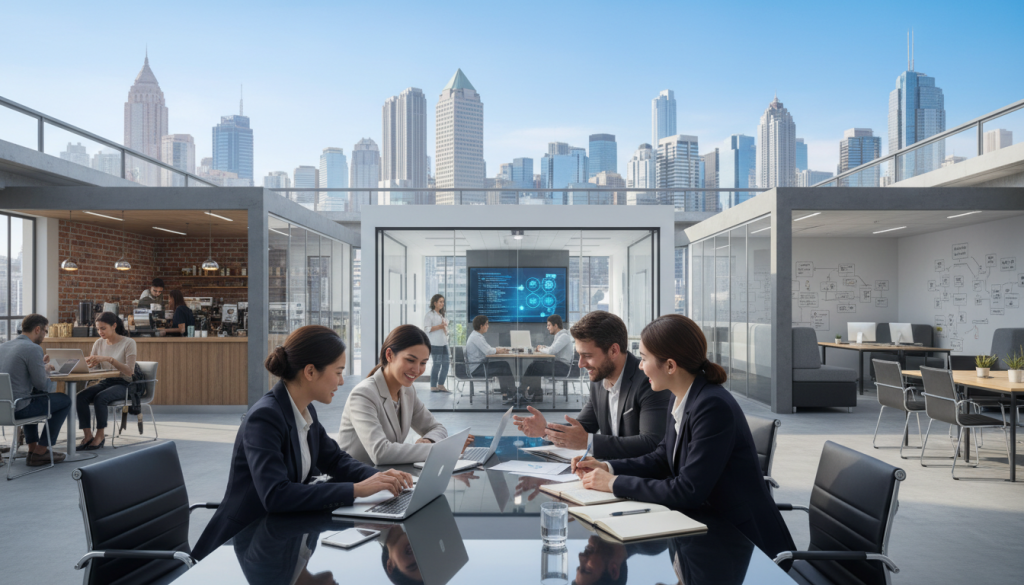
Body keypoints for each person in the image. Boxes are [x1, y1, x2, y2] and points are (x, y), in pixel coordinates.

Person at [571, 314, 796, 558]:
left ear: (670, 365)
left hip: (742, 545)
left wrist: (614, 483)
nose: (639, 365)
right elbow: (661, 457)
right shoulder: (681, 396)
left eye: (644, 358)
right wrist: (607, 467)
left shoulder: (712, 407)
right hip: (702, 531)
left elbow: (688, 490)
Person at [192, 325, 412, 561]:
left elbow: (336, 460)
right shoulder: (265, 418)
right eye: (338, 372)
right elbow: (276, 495)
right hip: (242, 548)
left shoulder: (304, 411)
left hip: (281, 538)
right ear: (310, 371)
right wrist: (357, 489)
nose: (341, 381)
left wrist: (384, 479)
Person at [513, 311, 670, 459]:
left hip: (640, 478)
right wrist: (545, 430)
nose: (580, 364)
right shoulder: (599, 381)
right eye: (579, 355)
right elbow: (582, 427)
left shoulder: (648, 381)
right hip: (610, 471)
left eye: (587, 356)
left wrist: (588, 442)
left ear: (614, 350)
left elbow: (651, 443)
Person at [337, 324, 472, 465]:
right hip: (356, 481)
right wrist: (442, 449)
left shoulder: (407, 391)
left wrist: (429, 441)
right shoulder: (363, 394)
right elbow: (381, 452)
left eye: (423, 363)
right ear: (389, 355)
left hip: (387, 477)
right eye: (410, 360)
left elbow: (436, 428)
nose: (417, 369)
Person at [0, 314, 71, 466]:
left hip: (2, 408)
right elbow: (43, 386)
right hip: (18, 409)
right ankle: (41, 452)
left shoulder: (3, 346)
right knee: (65, 400)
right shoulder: (33, 348)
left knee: (32, 397)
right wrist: (45, 369)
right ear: (37, 329)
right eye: (45, 331)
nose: (45, 335)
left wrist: (39, 366)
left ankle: (33, 449)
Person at [76, 312, 138, 450]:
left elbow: (129, 371)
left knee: (101, 398)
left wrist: (109, 359)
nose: (100, 332)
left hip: (125, 383)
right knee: (80, 397)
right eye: (98, 329)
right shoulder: (98, 343)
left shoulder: (129, 343)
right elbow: (95, 369)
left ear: (114, 326)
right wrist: (85, 364)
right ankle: (87, 436)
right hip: (106, 382)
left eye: (103, 328)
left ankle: (100, 435)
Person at [520, 314, 573, 401]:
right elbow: (553, 349)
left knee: (535, 366)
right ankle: (535, 393)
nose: (547, 327)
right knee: (535, 365)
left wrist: (541, 348)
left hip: (562, 368)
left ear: (555, 325)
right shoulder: (559, 336)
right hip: (558, 365)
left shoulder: (564, 337)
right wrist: (544, 347)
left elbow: (551, 351)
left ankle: (523, 391)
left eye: (549, 325)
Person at [465, 316, 516, 404]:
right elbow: (488, 351)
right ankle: (514, 393)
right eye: (487, 324)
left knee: (503, 365)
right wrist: (499, 350)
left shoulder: (477, 336)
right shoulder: (476, 337)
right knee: (504, 366)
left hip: (479, 366)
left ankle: (506, 394)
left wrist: (498, 349)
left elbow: (488, 349)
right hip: (478, 369)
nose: (488, 326)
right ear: (481, 326)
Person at [423, 294, 450, 393]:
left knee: (446, 364)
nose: (442, 303)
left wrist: (445, 328)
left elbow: (445, 330)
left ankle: (441, 385)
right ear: (435, 303)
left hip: (444, 343)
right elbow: (426, 329)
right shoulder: (430, 315)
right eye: (440, 301)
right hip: (435, 344)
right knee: (437, 365)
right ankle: (433, 386)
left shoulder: (442, 315)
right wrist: (440, 326)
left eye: (443, 301)